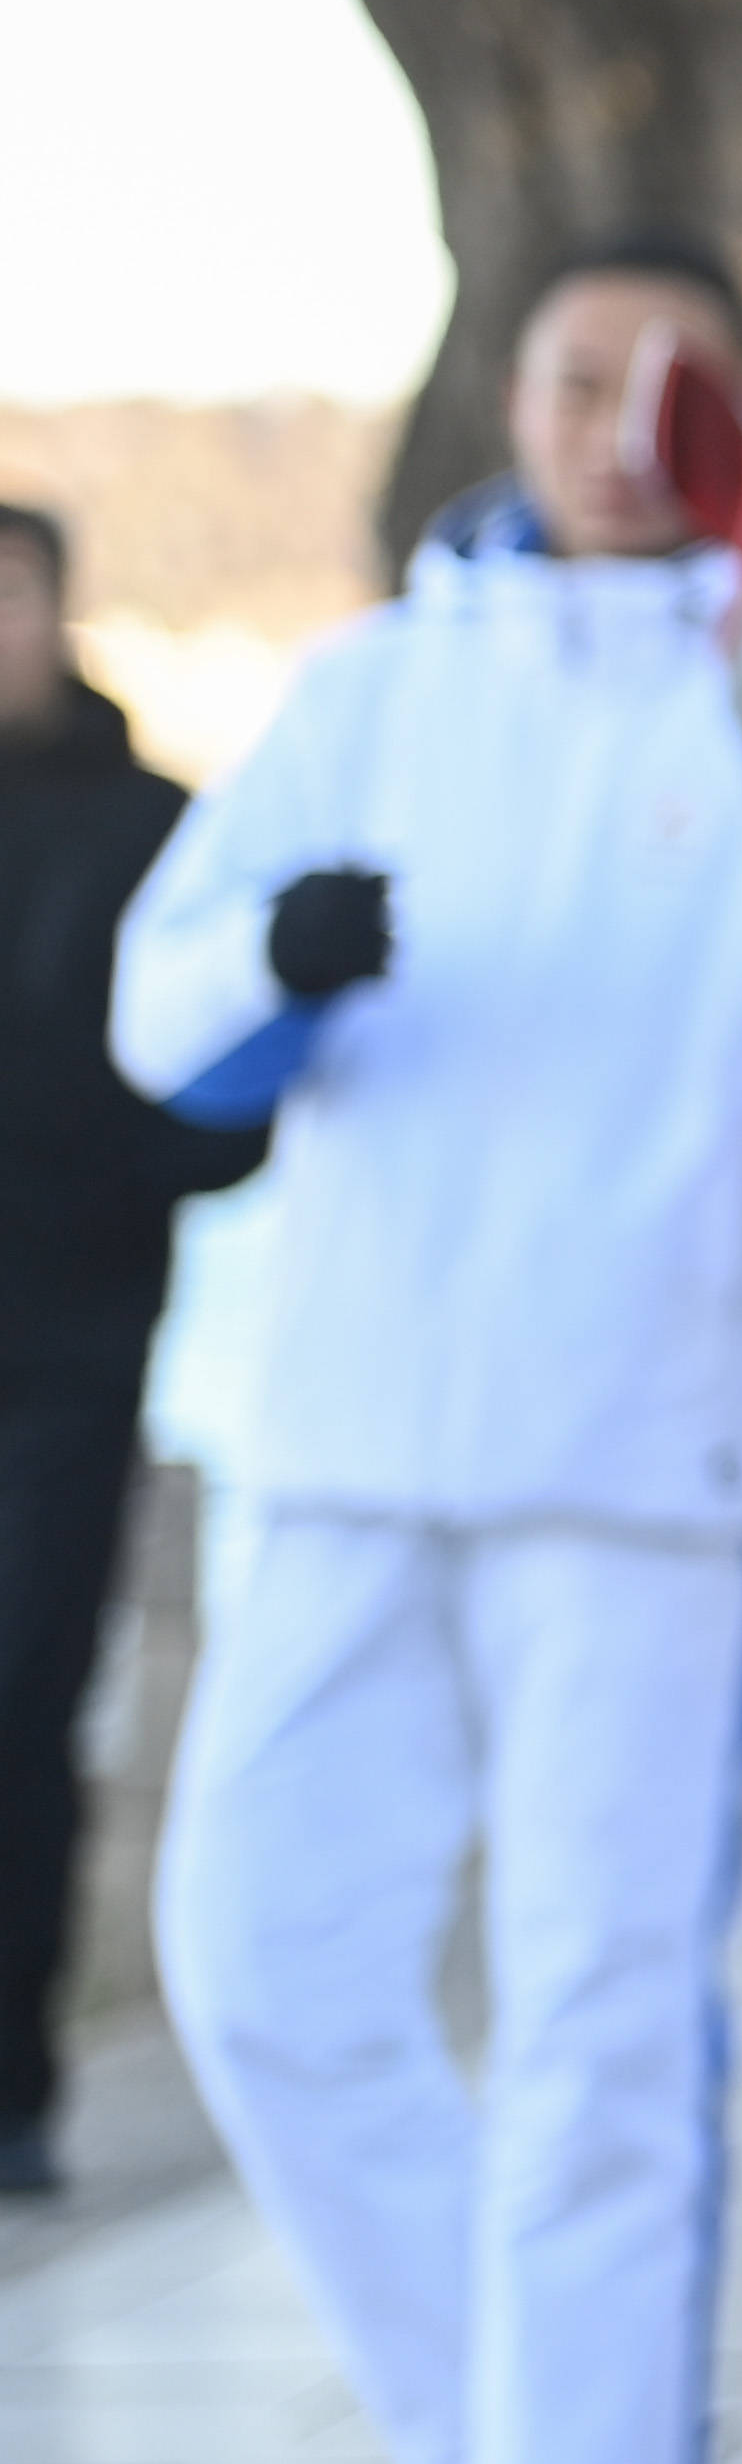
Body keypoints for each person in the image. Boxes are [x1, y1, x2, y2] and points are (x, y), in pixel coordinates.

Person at [107, 234, 742, 2464]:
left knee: (606, 2021)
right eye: (576, 367)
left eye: (669, 375)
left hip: (651, 1443)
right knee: (267, 1970)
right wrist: (274, 958)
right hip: (347, 1428)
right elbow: (164, 1017)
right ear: (506, 395)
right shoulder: (373, 688)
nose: (619, 414)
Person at [0, 501, 269, 2198]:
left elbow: (229, 1108)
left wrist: (85, 1155)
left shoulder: (157, 830)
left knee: (22, 1703)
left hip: (72, 1351)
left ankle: (15, 2088)